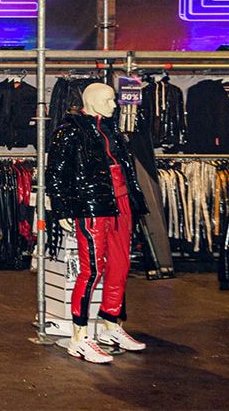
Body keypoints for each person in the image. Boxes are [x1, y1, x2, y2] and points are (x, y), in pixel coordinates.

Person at [48, 82, 149, 363]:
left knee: (120, 264)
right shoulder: (70, 131)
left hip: (121, 203)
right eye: (109, 100)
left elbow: (125, 167)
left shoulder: (112, 129)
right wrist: (62, 209)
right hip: (92, 206)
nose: (114, 105)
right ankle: (79, 337)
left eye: (114, 100)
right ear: (91, 101)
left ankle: (110, 325)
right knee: (92, 269)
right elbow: (56, 172)